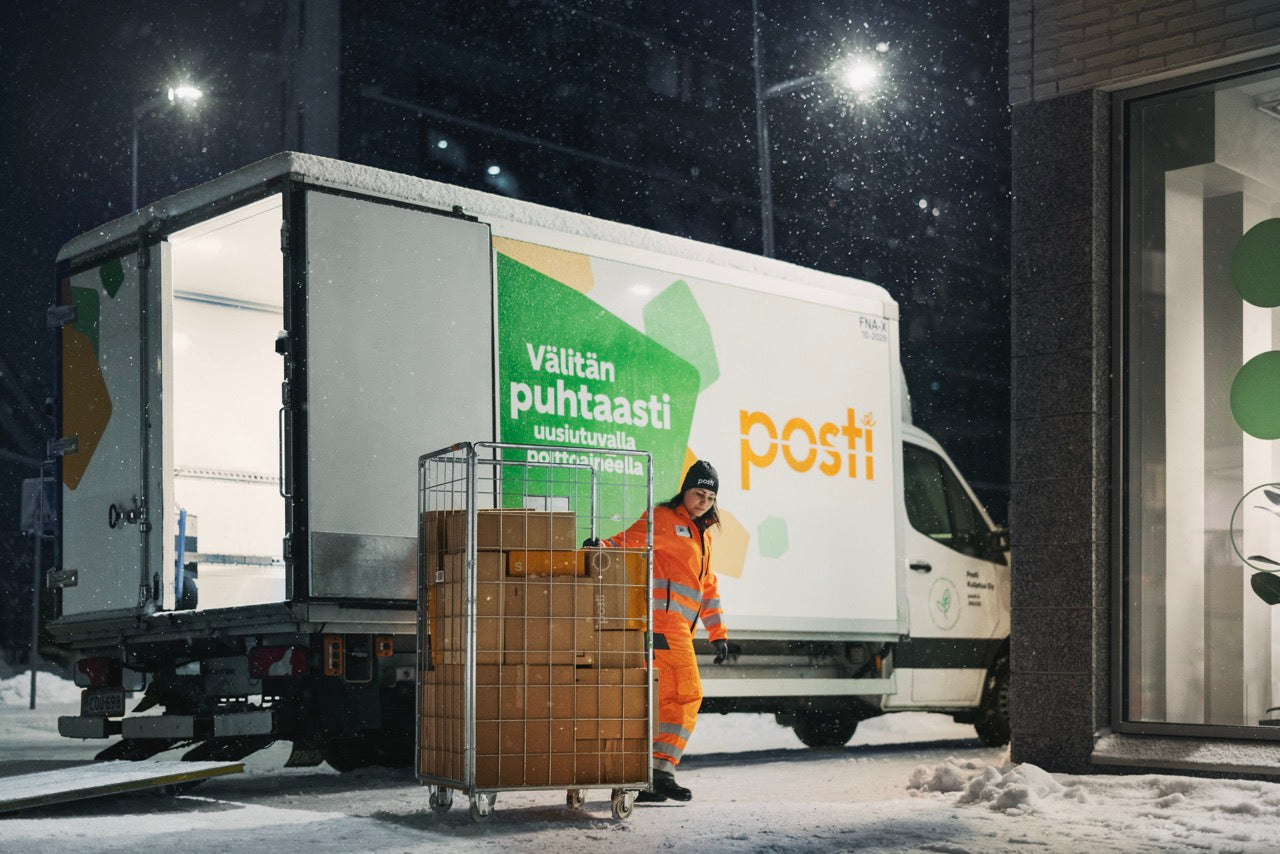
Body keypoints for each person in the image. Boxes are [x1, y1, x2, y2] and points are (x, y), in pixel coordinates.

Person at [586, 460, 730, 803]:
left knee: (668, 699)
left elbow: (706, 587)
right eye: (699, 493)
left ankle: (653, 775)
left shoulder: (703, 536)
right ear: (685, 490)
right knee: (688, 694)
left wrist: (718, 633)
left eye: (710, 497)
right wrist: (601, 548)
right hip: (663, 626)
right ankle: (660, 770)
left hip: (679, 629)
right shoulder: (664, 519)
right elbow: (630, 540)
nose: (704, 502)